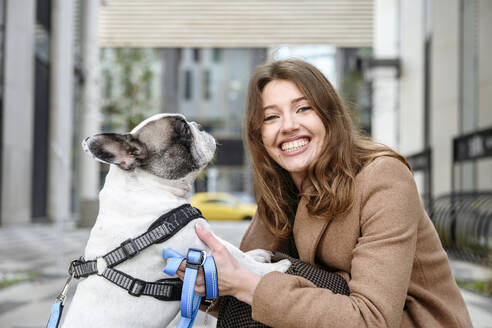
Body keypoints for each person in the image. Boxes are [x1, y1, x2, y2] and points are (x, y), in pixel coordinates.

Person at [173, 59, 473, 327]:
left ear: (329, 116)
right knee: (259, 273)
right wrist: (210, 282)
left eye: (303, 108)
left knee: (266, 272)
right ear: (259, 134)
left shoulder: (383, 177)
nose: (289, 126)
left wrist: (245, 283)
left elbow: (371, 320)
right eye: (271, 117)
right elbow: (249, 291)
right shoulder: (280, 188)